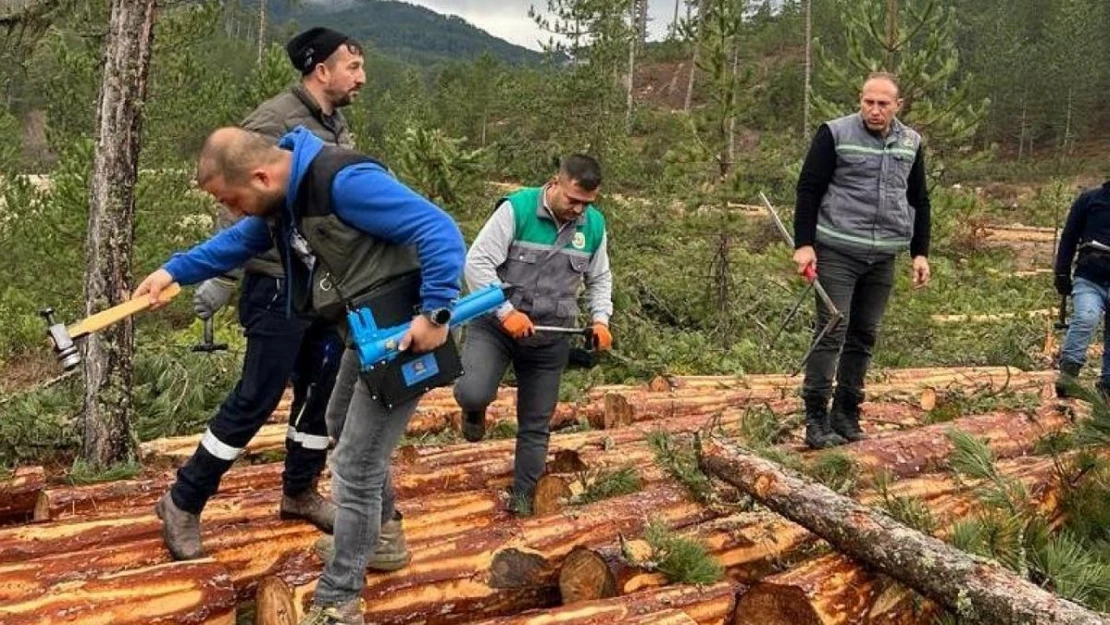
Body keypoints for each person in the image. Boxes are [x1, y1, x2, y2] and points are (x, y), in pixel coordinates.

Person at [136, 125, 465, 624]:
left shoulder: (342, 181)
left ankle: (339, 601)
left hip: (405, 331)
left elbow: (438, 229)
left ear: (261, 176)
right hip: (366, 330)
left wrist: (436, 313)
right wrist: (172, 272)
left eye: (232, 198)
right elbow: (235, 244)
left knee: (354, 465)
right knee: (337, 420)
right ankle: (383, 537)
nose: (233, 210)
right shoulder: (282, 199)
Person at [153, 27, 384, 564]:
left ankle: (299, 490)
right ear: (320, 70)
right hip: (275, 282)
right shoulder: (273, 121)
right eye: (353, 66)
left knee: (319, 395)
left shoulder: (333, 121)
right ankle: (184, 500)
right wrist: (222, 272)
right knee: (256, 398)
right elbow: (232, 190)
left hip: (321, 284)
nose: (362, 77)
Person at [452, 155, 613, 512]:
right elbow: (476, 263)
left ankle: (524, 498)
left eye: (586, 203)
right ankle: (474, 410)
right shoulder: (517, 209)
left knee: (537, 423)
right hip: (496, 326)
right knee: (473, 390)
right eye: (573, 199)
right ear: (555, 182)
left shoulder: (594, 227)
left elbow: (599, 278)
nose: (578, 209)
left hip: (548, 336)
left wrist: (601, 319)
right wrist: (505, 312)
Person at [792, 72, 932, 449]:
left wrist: (920, 252)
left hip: (883, 255)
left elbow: (919, 199)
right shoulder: (835, 134)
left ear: (897, 106)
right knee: (831, 330)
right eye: (868, 102)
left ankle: (847, 413)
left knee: (864, 334)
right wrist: (803, 244)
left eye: (883, 104)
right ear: (860, 100)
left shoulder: (910, 143)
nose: (874, 109)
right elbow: (808, 189)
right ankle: (816, 418)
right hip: (837, 249)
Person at [1053, 181, 1110, 399]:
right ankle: (1069, 374)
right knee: (1086, 317)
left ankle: (1107, 387)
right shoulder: (1090, 199)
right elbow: (1069, 236)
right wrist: (1061, 272)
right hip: (1090, 278)